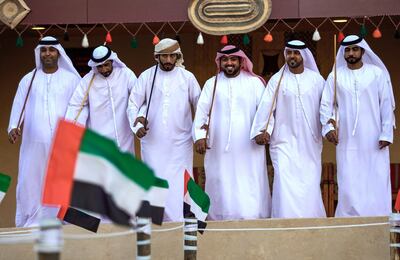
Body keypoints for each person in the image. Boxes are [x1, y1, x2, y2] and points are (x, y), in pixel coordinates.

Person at [7, 36, 81, 227]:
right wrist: (14, 126)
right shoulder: (28, 79)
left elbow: (81, 106)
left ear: (58, 53)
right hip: (34, 143)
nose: (47, 53)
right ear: (39, 53)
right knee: (31, 180)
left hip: (63, 141)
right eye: (44, 50)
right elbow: (18, 105)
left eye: (51, 49)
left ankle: (63, 220)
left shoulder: (72, 79)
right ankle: (33, 221)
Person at [320, 35, 395, 217]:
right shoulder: (335, 76)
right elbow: (326, 105)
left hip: (374, 136)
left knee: (375, 175)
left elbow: (386, 104)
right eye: (347, 49)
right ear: (343, 52)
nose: (351, 53)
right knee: (349, 177)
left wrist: (386, 133)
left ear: (362, 51)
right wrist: (328, 128)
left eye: (354, 49)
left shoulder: (377, 73)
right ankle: (349, 218)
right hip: (346, 138)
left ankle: (377, 216)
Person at [193, 45, 271, 220]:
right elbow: (201, 112)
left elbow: (265, 111)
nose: (229, 63)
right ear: (220, 62)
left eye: (233, 59)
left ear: (240, 61)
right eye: (225, 60)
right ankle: (218, 216)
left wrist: (264, 131)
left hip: (249, 145)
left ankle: (252, 215)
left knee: (248, 178)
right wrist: (199, 136)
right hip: (219, 145)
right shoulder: (211, 84)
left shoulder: (254, 83)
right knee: (220, 177)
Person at [127, 38, 201, 221]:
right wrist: (136, 126)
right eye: (164, 56)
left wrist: (200, 133)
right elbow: (133, 104)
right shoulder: (146, 76)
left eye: (171, 56)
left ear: (177, 56)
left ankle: (179, 221)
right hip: (153, 142)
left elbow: (200, 106)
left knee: (178, 183)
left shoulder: (188, 77)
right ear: (157, 57)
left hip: (180, 141)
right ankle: (156, 222)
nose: (168, 60)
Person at [251, 40, 326, 218]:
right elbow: (267, 107)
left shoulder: (316, 80)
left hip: (310, 142)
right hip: (283, 141)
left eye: (296, 53)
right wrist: (263, 130)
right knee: (284, 181)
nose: (292, 56)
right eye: (289, 53)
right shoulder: (277, 80)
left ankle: (311, 222)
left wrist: (330, 124)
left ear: (304, 56)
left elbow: (328, 107)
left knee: (309, 182)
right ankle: (284, 222)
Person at [65, 45, 136, 153]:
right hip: (99, 134)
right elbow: (75, 104)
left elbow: (138, 97)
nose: (104, 69)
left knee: (123, 166)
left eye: (106, 65)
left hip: (123, 135)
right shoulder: (88, 80)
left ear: (112, 61)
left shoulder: (126, 74)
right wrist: (69, 129)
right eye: (100, 66)